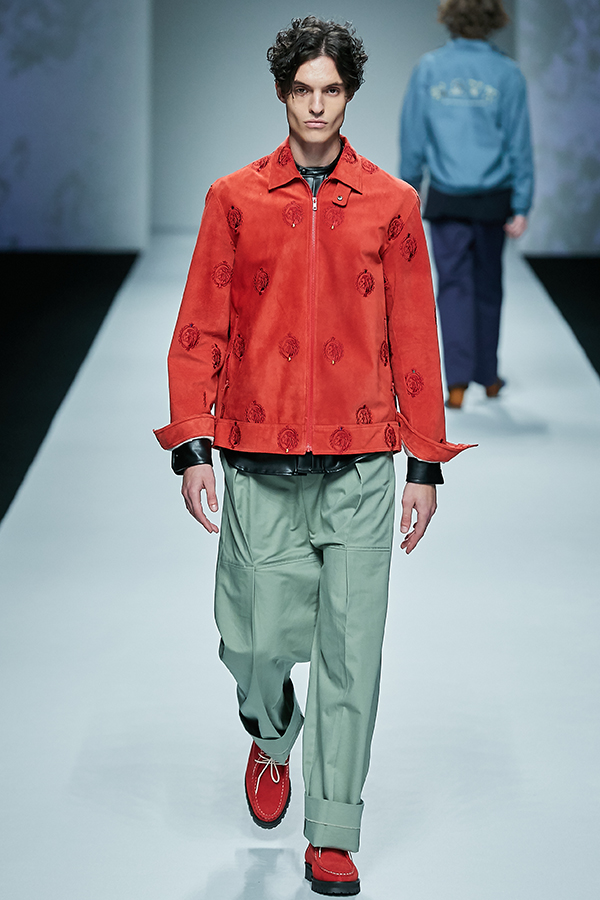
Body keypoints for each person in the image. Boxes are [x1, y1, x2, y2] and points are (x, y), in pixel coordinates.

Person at [155, 16, 470, 896]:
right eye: (304, 90)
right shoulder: (234, 198)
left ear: (350, 96)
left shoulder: (392, 204)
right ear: (283, 94)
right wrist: (192, 445)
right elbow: (200, 324)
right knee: (251, 642)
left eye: (332, 90)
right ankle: (270, 735)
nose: (318, 106)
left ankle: (332, 832)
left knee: (350, 654)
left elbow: (415, 335)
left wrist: (425, 463)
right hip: (257, 458)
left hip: (362, 462)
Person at [400, 0, 534, 409]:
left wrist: (408, 191)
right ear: (494, 18)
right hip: (493, 197)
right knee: (488, 287)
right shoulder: (507, 73)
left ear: (450, 16)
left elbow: (413, 137)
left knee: (453, 286)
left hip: (447, 195)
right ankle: (487, 376)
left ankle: (456, 382)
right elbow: (519, 143)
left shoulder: (429, 69)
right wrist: (522, 202)